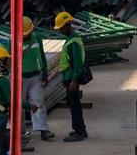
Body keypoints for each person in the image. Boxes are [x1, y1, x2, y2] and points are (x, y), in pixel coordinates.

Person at [53, 12, 89, 142]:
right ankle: (80, 129)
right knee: (74, 105)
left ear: (67, 25)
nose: (61, 30)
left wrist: (74, 81)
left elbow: (77, 63)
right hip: (68, 78)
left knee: (74, 106)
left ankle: (79, 131)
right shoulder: (71, 39)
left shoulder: (73, 42)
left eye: (61, 27)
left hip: (72, 79)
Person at [21, 17, 53, 141]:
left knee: (39, 103)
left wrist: (45, 74)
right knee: (19, 106)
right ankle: (20, 132)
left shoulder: (36, 38)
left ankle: (43, 130)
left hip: (35, 76)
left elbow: (42, 56)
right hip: (20, 78)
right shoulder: (13, 40)